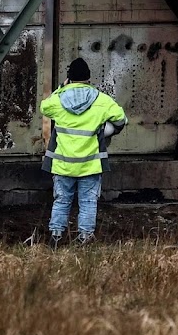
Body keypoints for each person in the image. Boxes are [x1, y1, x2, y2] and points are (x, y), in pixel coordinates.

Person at [41, 57, 127, 248]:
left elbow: (43, 107)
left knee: (62, 200)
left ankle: (55, 236)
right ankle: (84, 239)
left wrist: (62, 87)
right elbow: (121, 119)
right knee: (88, 202)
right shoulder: (102, 100)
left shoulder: (58, 100)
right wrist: (108, 131)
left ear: (69, 78)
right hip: (90, 164)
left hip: (63, 165)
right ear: (89, 78)